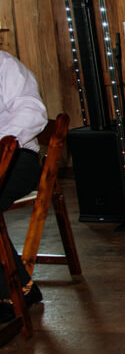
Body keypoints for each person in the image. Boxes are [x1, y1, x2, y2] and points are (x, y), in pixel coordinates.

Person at [0, 50, 46, 324]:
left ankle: (14, 291)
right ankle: (21, 287)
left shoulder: (4, 64)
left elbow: (32, 112)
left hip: (15, 157)